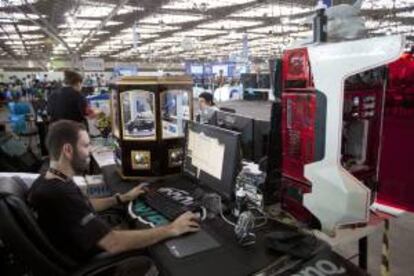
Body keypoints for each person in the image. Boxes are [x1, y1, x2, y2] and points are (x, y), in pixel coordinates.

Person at [28, 120, 199, 269]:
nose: (89, 151)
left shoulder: (48, 179)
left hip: (81, 245)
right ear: (67, 150)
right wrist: (172, 229)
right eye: (86, 145)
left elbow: (84, 204)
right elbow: (113, 243)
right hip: (94, 260)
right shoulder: (60, 195)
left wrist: (121, 198)